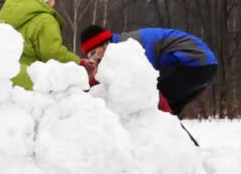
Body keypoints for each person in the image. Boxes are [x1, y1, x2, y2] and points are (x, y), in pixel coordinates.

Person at [80, 25, 218, 117]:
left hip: (193, 62)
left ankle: (186, 149)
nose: (95, 58)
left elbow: (144, 80)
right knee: (167, 116)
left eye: (95, 52)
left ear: (106, 43)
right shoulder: (120, 48)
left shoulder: (129, 45)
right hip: (205, 66)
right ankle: (183, 150)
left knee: (150, 99)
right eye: (91, 55)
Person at [0, 0, 95, 90]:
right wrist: (78, 62)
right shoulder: (45, 20)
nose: (54, 2)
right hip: (31, 83)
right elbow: (52, 53)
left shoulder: (8, 11)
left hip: (5, 78)